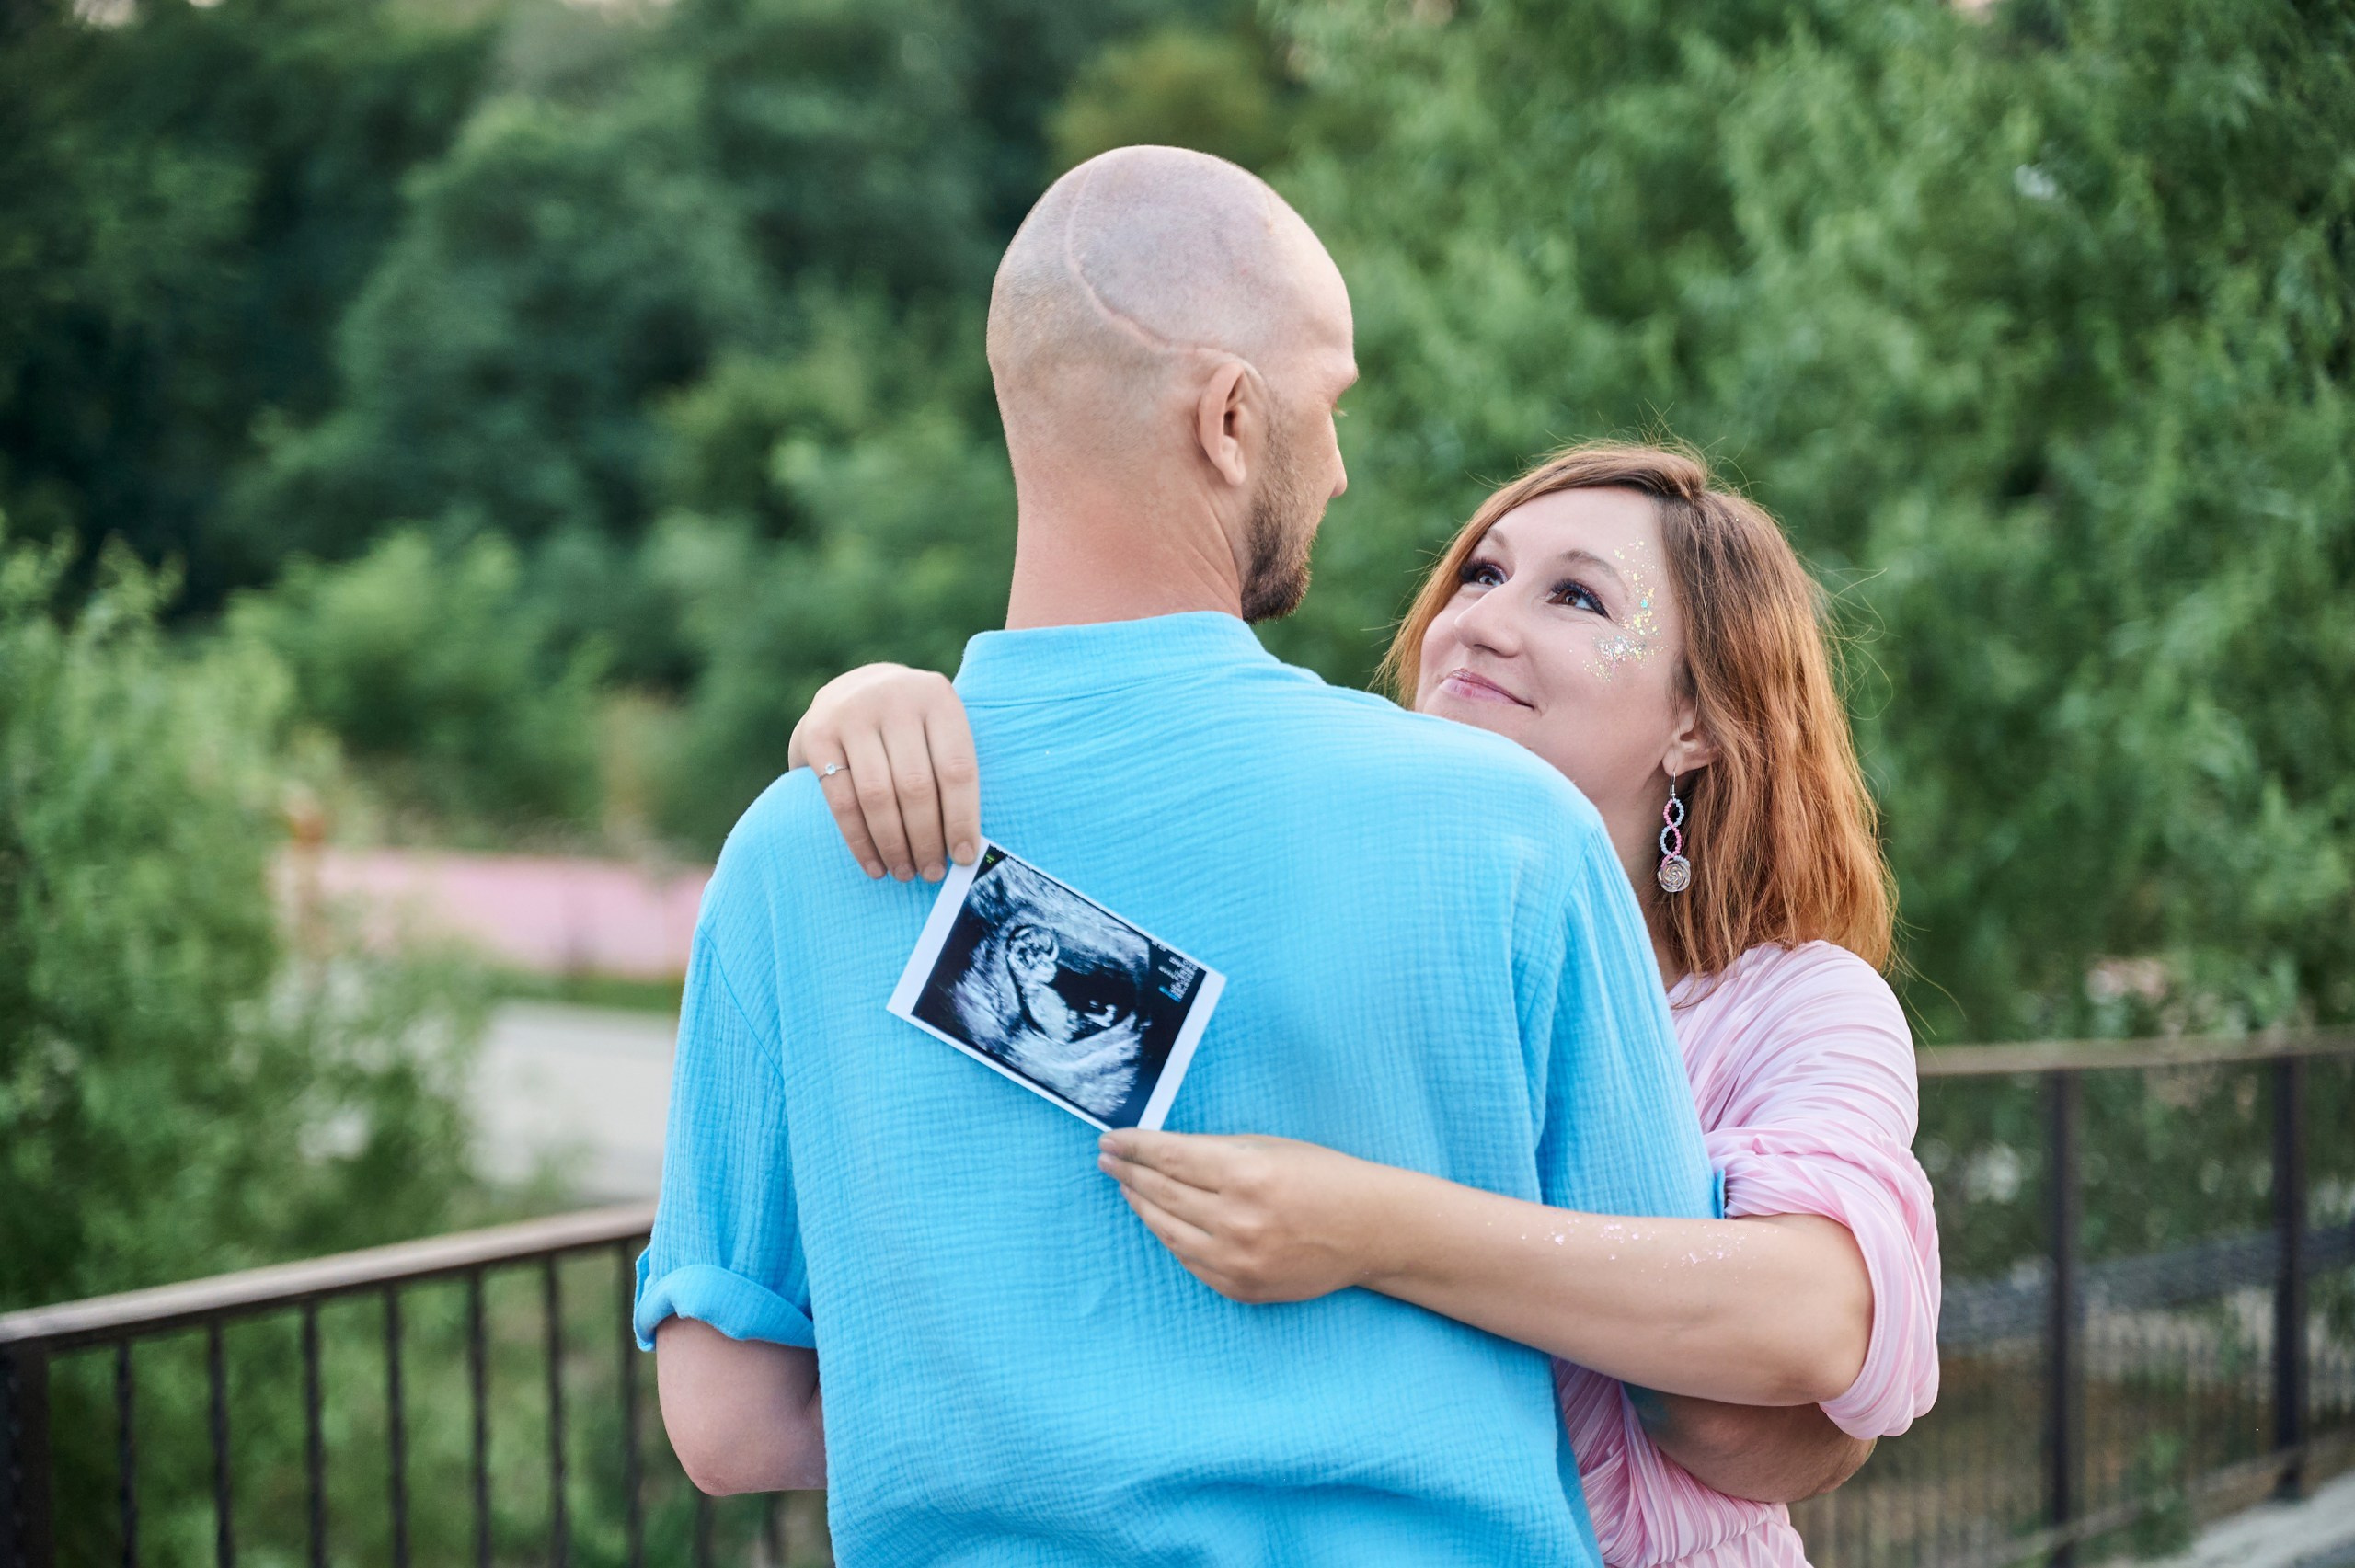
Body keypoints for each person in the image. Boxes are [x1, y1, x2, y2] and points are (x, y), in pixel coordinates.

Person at [636, 146, 1718, 1567]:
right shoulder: (1507, 831)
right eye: (1325, 407)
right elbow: (1688, 1369)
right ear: (1227, 419)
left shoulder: (801, 850)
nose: (1335, 468)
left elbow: (723, 1422)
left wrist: (1033, 1411)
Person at [788, 441, 1944, 1565]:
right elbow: (1051, 1011)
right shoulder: (1315, 897)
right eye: (1480, 574)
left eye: (1578, 599)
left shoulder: (1796, 1005)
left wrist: (1366, 1228)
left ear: (1694, 721)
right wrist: (900, 711)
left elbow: (1811, 1316)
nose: (1483, 619)